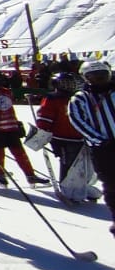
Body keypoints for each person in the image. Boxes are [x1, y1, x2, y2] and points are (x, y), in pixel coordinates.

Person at [0, 67, 48, 186]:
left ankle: (30, 175)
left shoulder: (6, 91)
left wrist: (17, 123)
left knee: (20, 153)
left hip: (11, 128)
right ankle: (0, 176)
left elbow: (9, 109)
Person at [68, 59, 115, 238]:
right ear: (86, 79)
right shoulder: (80, 99)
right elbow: (78, 121)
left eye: (102, 76)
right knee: (111, 184)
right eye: (93, 77)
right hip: (104, 148)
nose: (99, 80)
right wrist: (99, 140)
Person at [33, 72, 95, 203]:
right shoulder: (53, 99)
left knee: (82, 164)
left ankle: (80, 187)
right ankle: (67, 189)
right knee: (68, 164)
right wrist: (43, 130)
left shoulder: (77, 98)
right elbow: (45, 116)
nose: (68, 87)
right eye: (65, 84)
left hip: (80, 137)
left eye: (70, 84)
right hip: (61, 138)